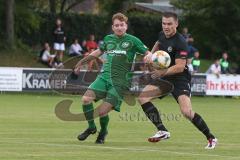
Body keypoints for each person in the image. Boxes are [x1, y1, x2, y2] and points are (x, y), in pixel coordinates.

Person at [138, 12, 217, 149]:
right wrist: (151, 54)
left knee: (186, 111)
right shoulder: (162, 34)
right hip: (165, 77)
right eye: (164, 23)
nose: (166, 26)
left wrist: (161, 72)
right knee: (143, 97)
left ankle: (211, 137)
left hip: (180, 78)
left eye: (169, 24)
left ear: (176, 24)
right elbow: (158, 42)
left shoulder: (181, 42)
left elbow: (180, 67)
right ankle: (162, 130)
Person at [74, 13, 152, 144]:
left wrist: (149, 56)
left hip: (120, 83)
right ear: (113, 27)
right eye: (117, 25)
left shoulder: (133, 41)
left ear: (126, 26)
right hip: (104, 77)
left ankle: (103, 131)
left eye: (122, 25)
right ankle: (91, 127)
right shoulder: (108, 39)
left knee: (102, 111)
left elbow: (147, 52)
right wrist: (82, 62)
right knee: (86, 99)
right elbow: (98, 52)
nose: (119, 27)